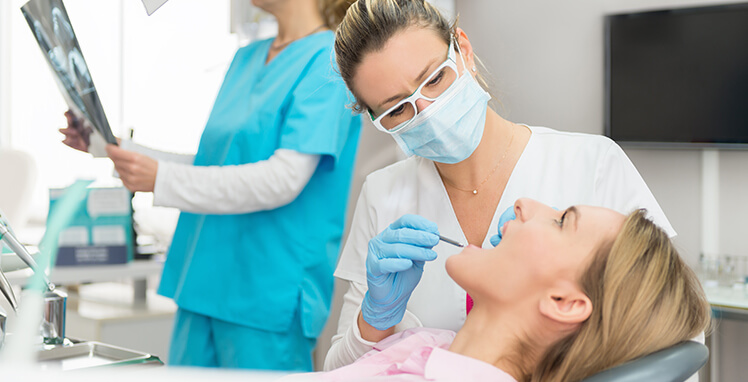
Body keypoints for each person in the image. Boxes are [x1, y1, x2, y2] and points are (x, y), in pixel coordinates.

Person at [325, 0, 679, 370]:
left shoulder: (592, 163)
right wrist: (375, 321)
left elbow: (669, 338)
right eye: (397, 109)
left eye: (434, 79)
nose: (427, 111)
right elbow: (338, 371)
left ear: (463, 49)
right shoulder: (383, 194)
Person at [60, 0, 360, 371]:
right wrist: (108, 146)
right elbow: (213, 166)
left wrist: (162, 179)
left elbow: (282, 179)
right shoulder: (247, 58)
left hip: (266, 291)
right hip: (203, 281)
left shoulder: (329, 62)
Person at [288, 199, 711, 381]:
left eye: (562, 221)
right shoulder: (429, 344)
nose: (524, 203)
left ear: (564, 302)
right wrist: (376, 320)